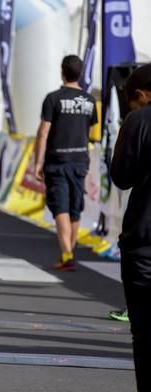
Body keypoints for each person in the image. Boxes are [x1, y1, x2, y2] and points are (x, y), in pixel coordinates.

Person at [34, 55, 98, 271]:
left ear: (62, 72)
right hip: (80, 160)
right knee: (75, 207)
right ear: (80, 73)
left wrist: (37, 161)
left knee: (60, 206)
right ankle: (69, 250)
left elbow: (43, 131)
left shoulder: (53, 99)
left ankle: (66, 253)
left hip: (57, 159)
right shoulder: (90, 101)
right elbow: (89, 132)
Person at [110, 63, 151, 392]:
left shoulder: (139, 120)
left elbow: (121, 176)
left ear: (141, 95)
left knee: (145, 334)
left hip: (145, 243)